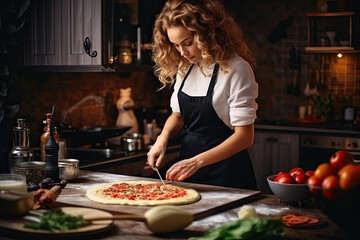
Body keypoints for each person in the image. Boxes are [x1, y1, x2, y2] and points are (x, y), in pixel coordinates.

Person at [147, 0, 258, 190]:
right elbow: (177, 115)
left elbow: (245, 136)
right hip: (188, 170)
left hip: (228, 174)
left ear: (207, 34)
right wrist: (162, 138)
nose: (182, 52)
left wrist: (196, 162)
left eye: (188, 43)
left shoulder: (236, 68)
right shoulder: (186, 68)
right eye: (176, 45)